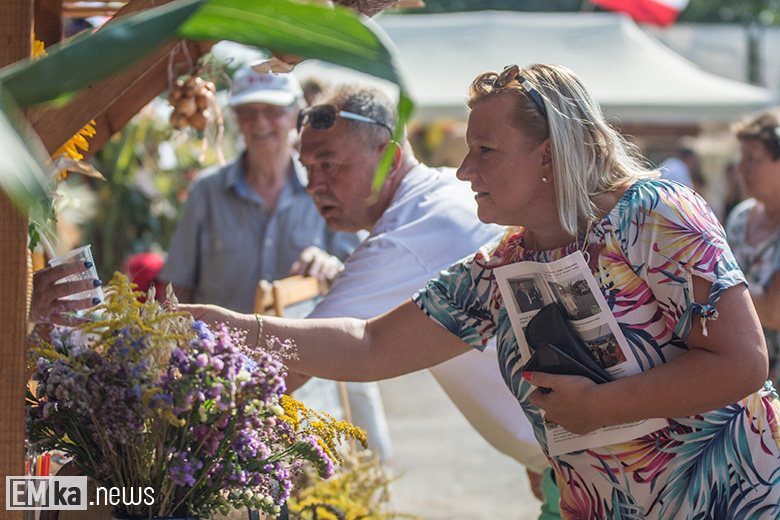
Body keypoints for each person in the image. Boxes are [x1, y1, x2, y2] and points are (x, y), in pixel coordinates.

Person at [182, 63, 779, 519]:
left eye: (484, 151)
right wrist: (228, 326)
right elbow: (368, 345)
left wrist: (595, 410)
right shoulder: (502, 264)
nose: (464, 171)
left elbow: (743, 363)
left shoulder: (650, 213)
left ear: (549, 155)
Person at [288, 84, 554, 512]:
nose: (313, 184)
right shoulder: (441, 195)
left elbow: (291, 361)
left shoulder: (406, 237)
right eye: (306, 166)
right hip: (568, 461)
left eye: (329, 163)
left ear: (390, 159)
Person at [158, 67, 361, 313]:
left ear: (296, 115)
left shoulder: (327, 188)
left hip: (304, 350)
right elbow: (177, 289)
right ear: (236, 119)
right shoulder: (206, 192)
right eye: (247, 113)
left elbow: (360, 280)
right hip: (218, 351)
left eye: (273, 111)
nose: (260, 122)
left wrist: (330, 266)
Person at [726, 108, 780, 387]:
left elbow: (776, 310)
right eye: (741, 158)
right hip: (742, 386)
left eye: (753, 159)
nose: (741, 169)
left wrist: (719, 298)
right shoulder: (739, 217)